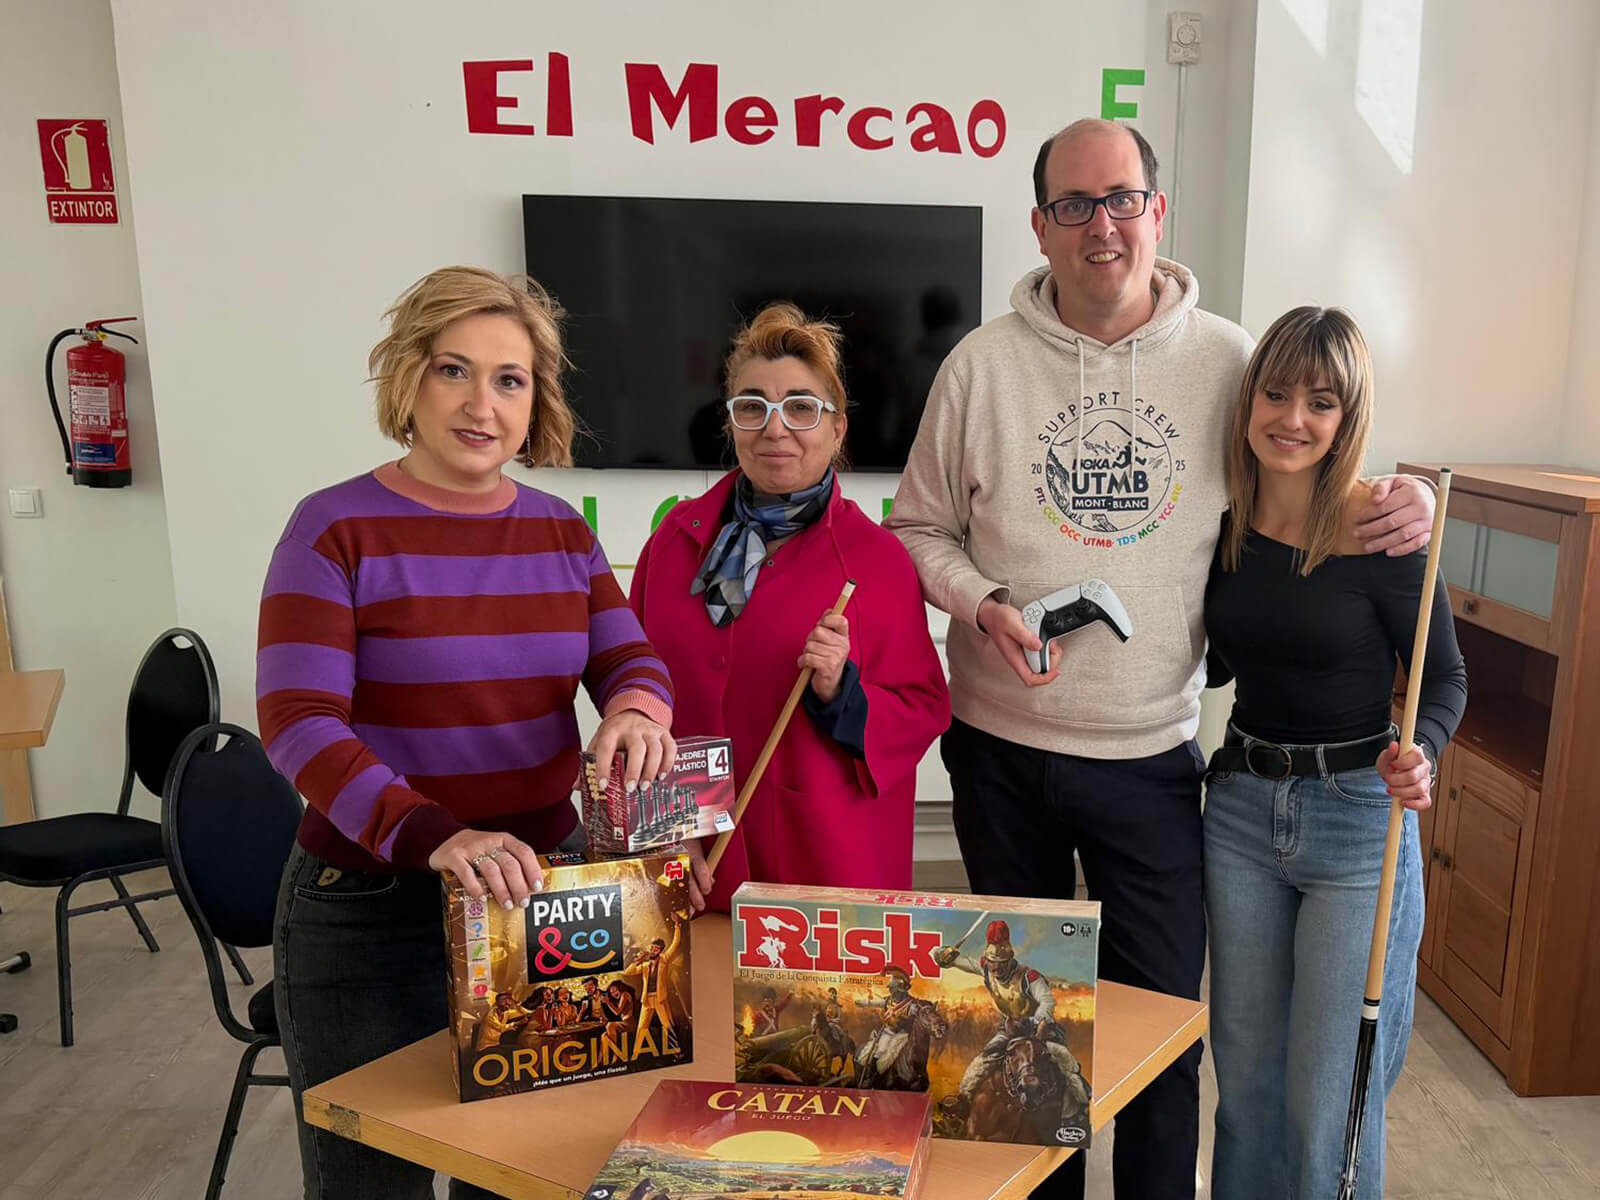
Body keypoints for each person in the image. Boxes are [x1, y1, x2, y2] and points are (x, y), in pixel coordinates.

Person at [884, 118, 1438, 1200]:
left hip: (1150, 761)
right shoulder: (978, 367)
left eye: (1121, 199)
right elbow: (917, 529)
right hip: (997, 754)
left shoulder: (1230, 361)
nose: (1102, 225)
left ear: (1156, 211)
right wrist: (984, 603)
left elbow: (1306, 459)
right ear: (1040, 224)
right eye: (1074, 205)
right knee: (1019, 1037)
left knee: (1158, 1038)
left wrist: (1400, 494)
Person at [260, 265, 676, 1200]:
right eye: (454, 370)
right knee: (372, 1184)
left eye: (509, 380)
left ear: (536, 401)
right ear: (408, 377)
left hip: (539, 902)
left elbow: (632, 660)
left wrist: (636, 710)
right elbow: (296, 723)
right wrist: (437, 836)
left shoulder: (562, 533)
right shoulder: (333, 528)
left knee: (522, 1172)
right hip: (372, 906)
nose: (481, 404)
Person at [1201, 307, 1465, 1198]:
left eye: (1321, 403)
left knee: (1328, 1102)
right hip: (1240, 812)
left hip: (1357, 823)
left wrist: (1424, 751)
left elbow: (1445, 678)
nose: (1293, 419)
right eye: (1276, 393)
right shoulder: (1222, 522)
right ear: (1248, 399)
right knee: (1244, 1088)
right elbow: (1215, 661)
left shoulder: (1385, 529)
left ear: (1349, 418)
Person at [630, 302, 951, 910]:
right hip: (693, 864)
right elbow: (637, 696)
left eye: (801, 408)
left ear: (838, 429)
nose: (775, 429)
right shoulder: (675, 541)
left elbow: (921, 709)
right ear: (731, 424)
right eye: (753, 407)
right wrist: (665, 828)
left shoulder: (876, 560)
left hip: (824, 871)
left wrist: (839, 691)